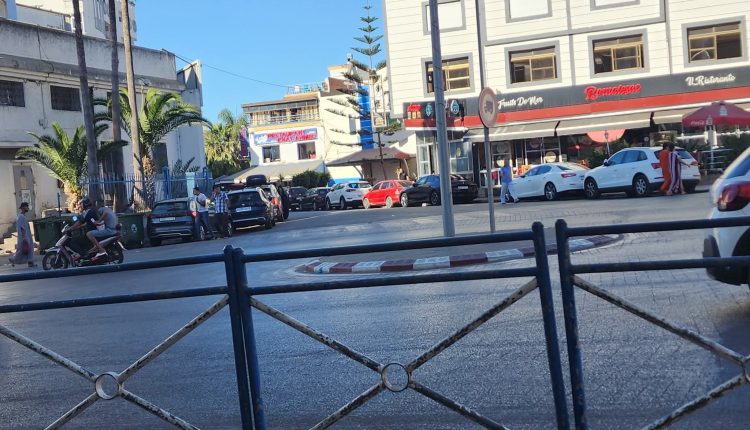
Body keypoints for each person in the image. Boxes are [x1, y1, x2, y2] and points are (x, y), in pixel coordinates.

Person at [9, 202, 35, 267]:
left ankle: (30, 262)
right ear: (23, 208)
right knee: (22, 250)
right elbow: (21, 227)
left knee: (28, 249)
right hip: (24, 236)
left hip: (26, 235)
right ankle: (13, 259)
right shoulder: (21, 217)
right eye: (27, 207)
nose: (28, 208)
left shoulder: (23, 216)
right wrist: (24, 237)